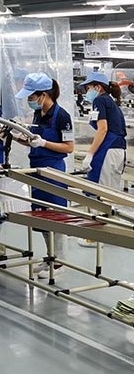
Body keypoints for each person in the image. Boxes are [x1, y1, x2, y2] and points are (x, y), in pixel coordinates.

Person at [13, 73, 74, 278]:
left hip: (53, 170)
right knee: (42, 216)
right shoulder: (39, 114)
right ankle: (50, 257)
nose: (30, 101)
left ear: (44, 94)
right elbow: (34, 141)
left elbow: (69, 147)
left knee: (56, 216)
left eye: (32, 96)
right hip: (37, 170)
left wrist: (44, 143)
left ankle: (60, 262)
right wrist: (16, 136)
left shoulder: (62, 116)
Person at [79, 72, 127, 189]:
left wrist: (90, 154)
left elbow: (103, 129)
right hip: (118, 150)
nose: (87, 92)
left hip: (108, 149)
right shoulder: (110, 101)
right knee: (110, 191)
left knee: (100, 192)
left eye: (88, 88)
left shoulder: (99, 101)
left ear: (98, 87)